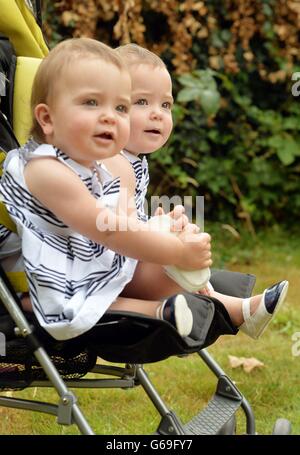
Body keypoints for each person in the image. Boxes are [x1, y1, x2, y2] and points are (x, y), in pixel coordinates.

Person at [0, 37, 215, 342]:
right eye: (91, 102)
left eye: (121, 107)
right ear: (47, 118)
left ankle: (189, 305)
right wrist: (177, 251)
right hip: (40, 279)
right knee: (81, 300)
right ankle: (157, 312)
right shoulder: (44, 168)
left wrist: (163, 230)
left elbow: (121, 223)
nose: (109, 116)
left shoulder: (93, 168)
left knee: (160, 246)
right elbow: (110, 230)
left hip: (82, 259)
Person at [102, 42, 289, 340]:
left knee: (182, 237)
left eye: (165, 105)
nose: (157, 114)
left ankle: (235, 307)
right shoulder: (110, 162)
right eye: (141, 102)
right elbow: (114, 235)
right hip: (108, 278)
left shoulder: (132, 161)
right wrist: (157, 234)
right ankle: (237, 309)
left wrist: (159, 226)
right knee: (180, 252)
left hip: (126, 264)